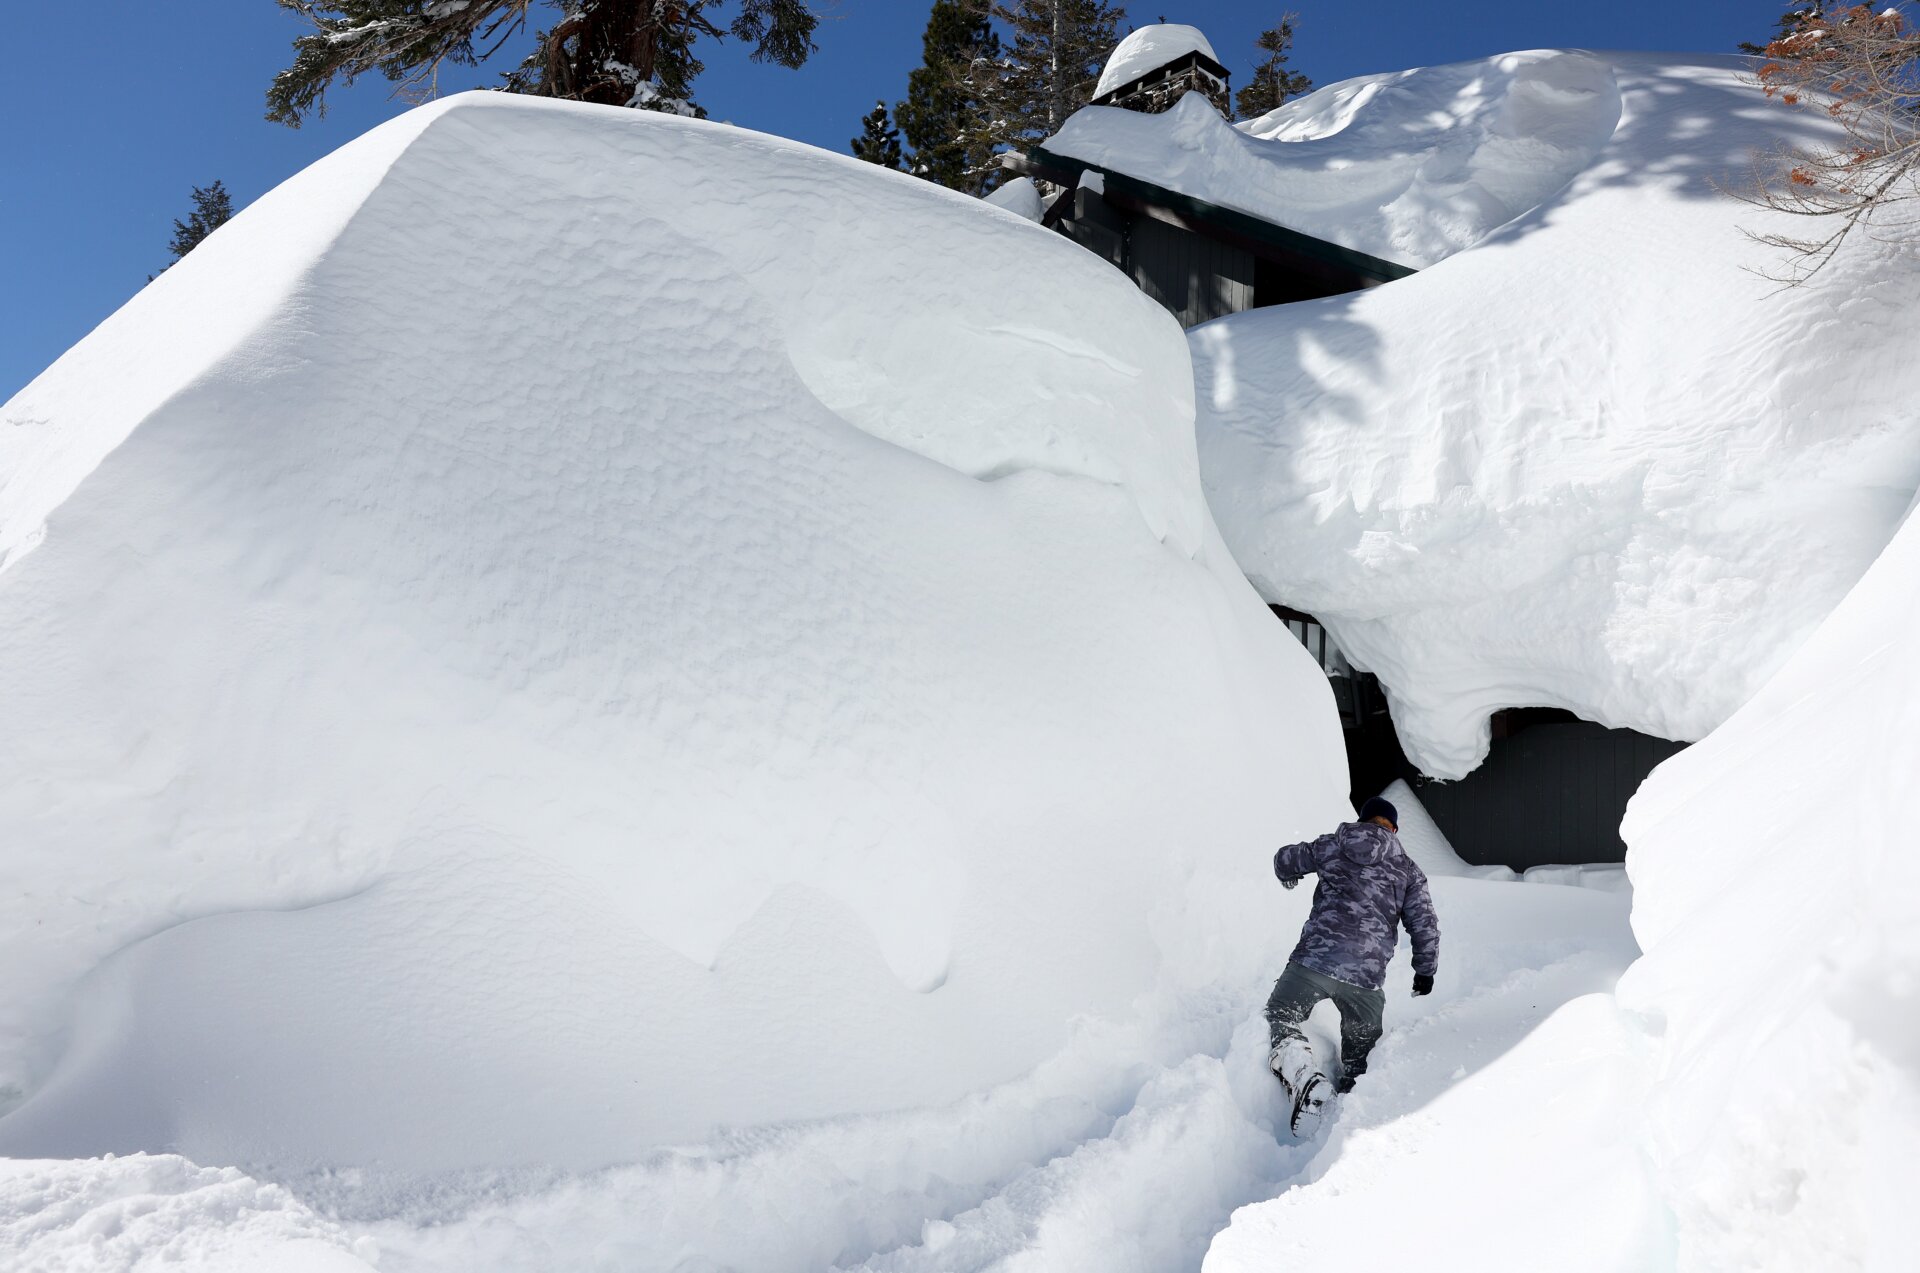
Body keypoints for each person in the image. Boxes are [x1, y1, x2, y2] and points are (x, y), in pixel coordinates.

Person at [1265, 795, 1439, 1134]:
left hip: (1314, 961)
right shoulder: (1407, 870)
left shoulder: (1333, 846)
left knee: (1281, 1015)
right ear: (1394, 829)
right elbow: (1425, 923)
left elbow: (1284, 860)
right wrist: (1425, 971)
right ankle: (1345, 1121)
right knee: (1362, 1058)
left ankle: (1303, 1074)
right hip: (1365, 979)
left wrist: (1291, 874)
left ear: (1362, 820)